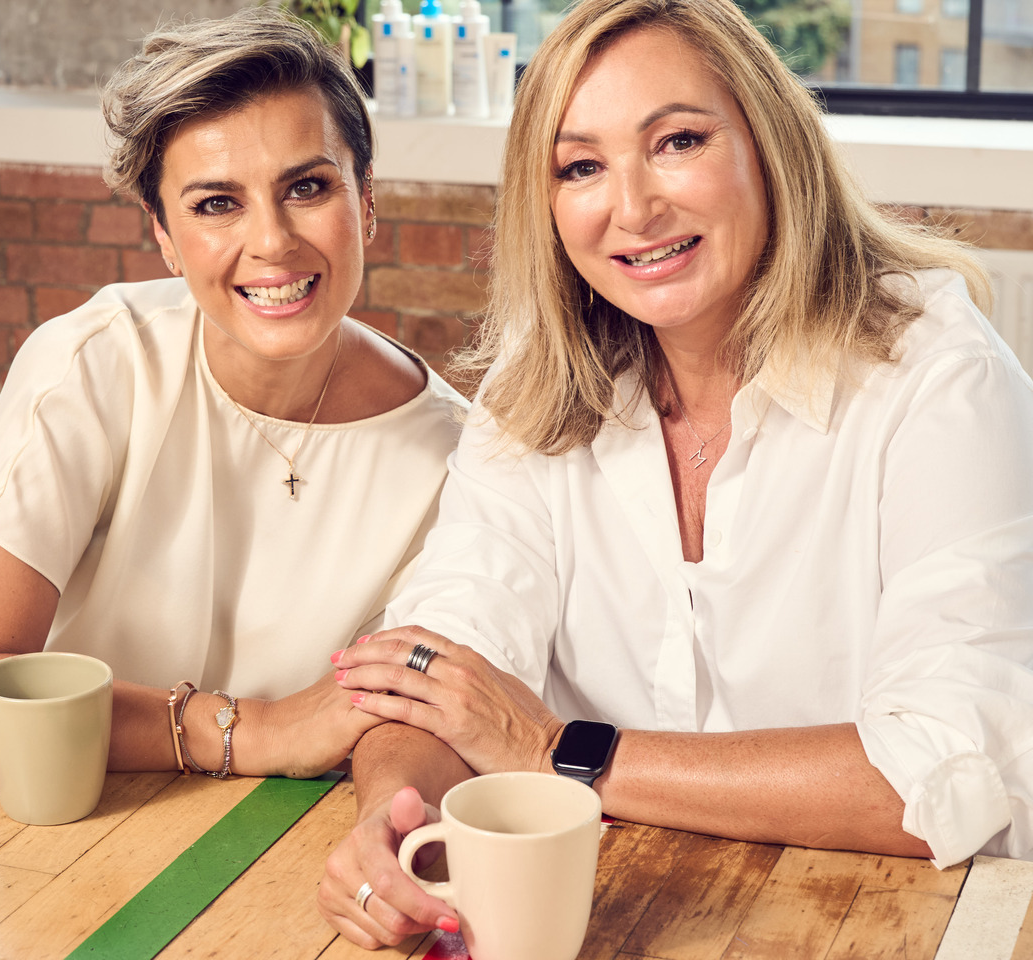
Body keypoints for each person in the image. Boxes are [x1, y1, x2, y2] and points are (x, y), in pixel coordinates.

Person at [317, 0, 1033, 946]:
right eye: (581, 167)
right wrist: (392, 817)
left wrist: (556, 753)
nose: (633, 207)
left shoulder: (939, 377)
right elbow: (443, 665)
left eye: (678, 141)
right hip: (618, 912)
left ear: (769, 146)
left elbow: (945, 774)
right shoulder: (540, 386)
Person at [0, 10, 466, 780]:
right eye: (216, 203)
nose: (271, 242)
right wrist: (248, 731)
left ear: (365, 201)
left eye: (306, 187)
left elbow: (404, 724)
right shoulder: (99, 361)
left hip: (253, 835)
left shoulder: (452, 459)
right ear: (164, 235)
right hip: (30, 802)